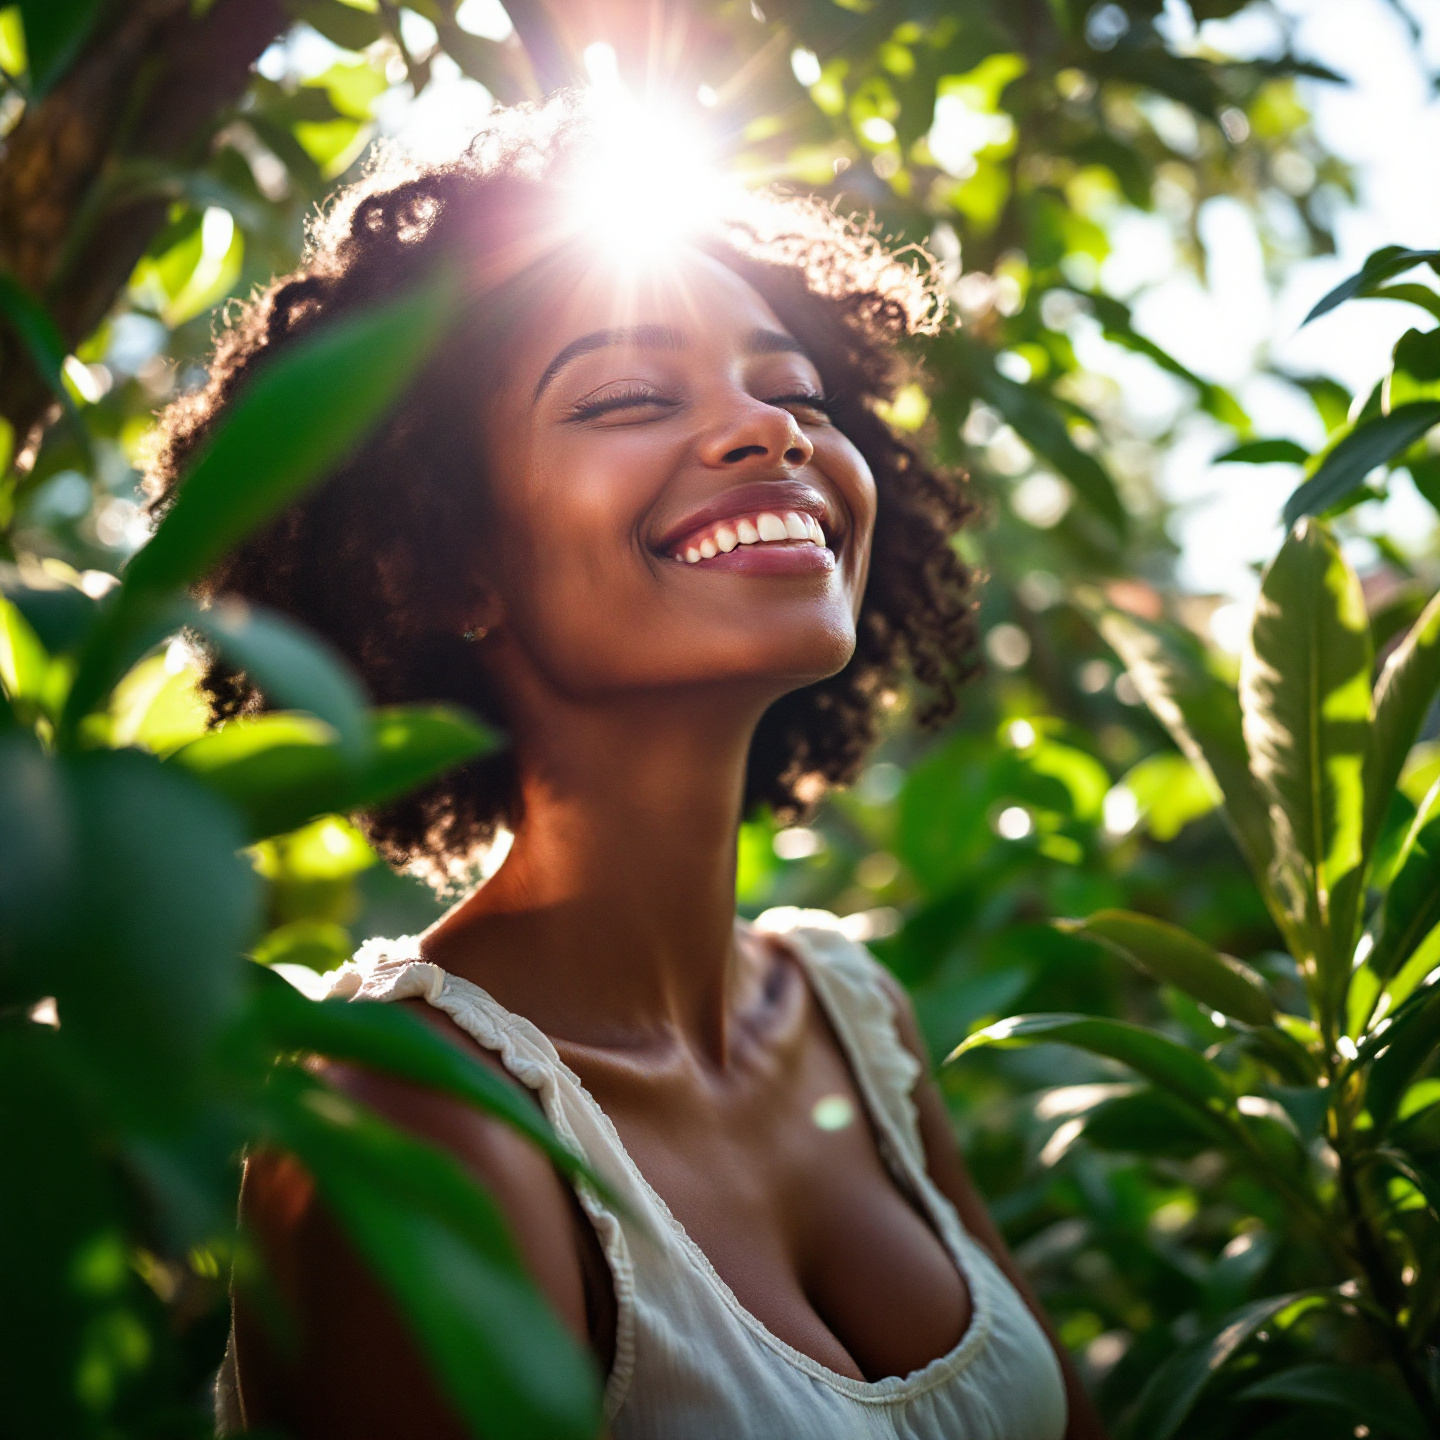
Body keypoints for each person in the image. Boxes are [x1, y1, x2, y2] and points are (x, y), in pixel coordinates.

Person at [147, 93, 1103, 1440]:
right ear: (434, 560)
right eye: (628, 396)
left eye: (796, 392)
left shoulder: (856, 1016)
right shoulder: (414, 1113)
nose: (771, 431)